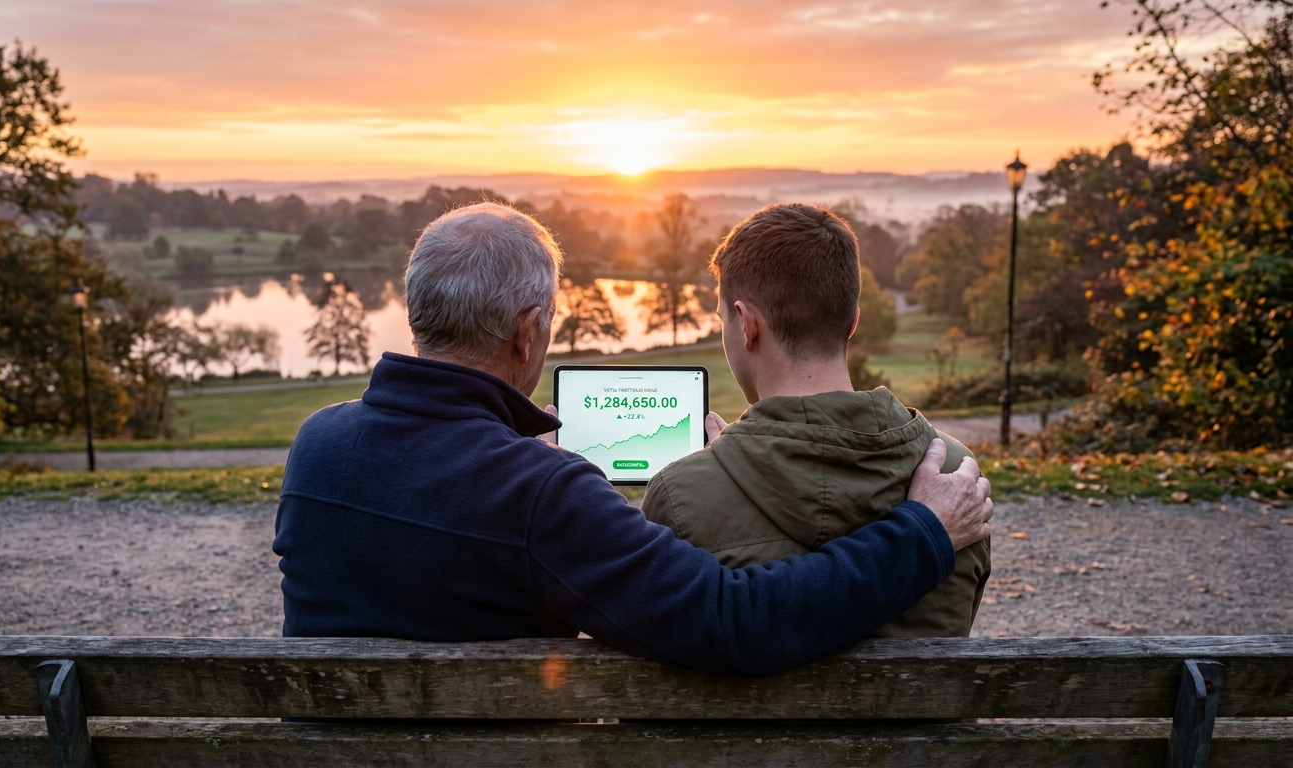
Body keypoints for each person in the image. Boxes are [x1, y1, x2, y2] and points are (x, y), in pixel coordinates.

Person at [273, 202, 993, 677]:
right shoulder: (543, 495)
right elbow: (732, 620)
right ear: (529, 330)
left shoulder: (319, 446)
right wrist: (922, 531)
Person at [641, 203, 991, 638]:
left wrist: (710, 477)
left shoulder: (680, 497)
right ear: (852, 322)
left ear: (746, 324)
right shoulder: (955, 479)